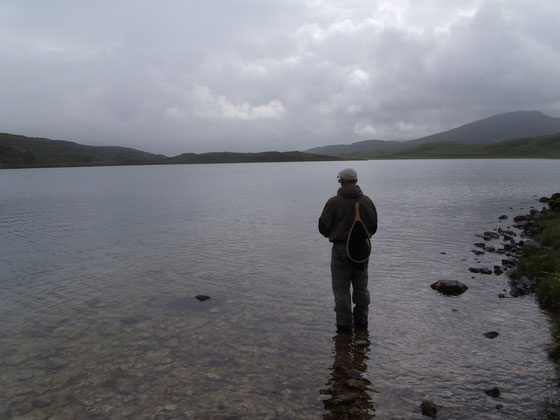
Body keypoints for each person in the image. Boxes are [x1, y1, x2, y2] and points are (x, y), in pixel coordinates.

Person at [319, 168, 377, 333]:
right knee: (361, 288)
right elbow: (374, 227)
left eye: (340, 180)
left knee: (341, 289)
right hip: (362, 250)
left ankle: (344, 327)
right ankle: (362, 323)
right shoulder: (368, 201)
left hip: (340, 250)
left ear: (342, 181)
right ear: (356, 181)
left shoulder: (333, 202)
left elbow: (323, 228)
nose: (339, 182)